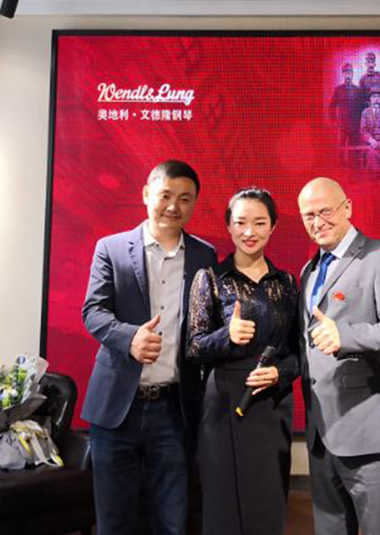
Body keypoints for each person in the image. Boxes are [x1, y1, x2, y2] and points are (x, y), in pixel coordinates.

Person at [81, 160, 217, 535]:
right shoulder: (111, 249)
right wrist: (130, 338)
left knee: (172, 522)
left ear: (194, 203)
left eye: (185, 198)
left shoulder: (205, 256)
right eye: (165, 195)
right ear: (146, 194)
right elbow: (93, 311)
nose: (174, 206)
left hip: (174, 410)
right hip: (116, 408)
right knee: (113, 522)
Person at [297, 178, 380, 535]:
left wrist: (346, 336)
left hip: (373, 435)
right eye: (308, 215)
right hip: (323, 436)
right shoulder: (309, 271)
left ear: (348, 207)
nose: (317, 222)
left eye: (325, 211)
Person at [187, 188, 299, 535]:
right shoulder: (209, 278)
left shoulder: (287, 282)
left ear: (273, 227)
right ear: (229, 226)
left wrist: (279, 372)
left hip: (272, 399)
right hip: (223, 399)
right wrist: (227, 336)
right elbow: (194, 347)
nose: (249, 231)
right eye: (240, 223)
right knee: (223, 500)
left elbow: (299, 351)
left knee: (268, 497)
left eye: (259, 223)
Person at [329, 63, 364, 151]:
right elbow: (331, 106)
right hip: (342, 125)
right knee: (340, 149)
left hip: (355, 125)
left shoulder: (358, 90)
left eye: (349, 73)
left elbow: (362, 107)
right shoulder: (338, 90)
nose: (348, 75)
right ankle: (340, 160)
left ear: (352, 74)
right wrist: (334, 121)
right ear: (343, 75)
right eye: (345, 73)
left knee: (355, 149)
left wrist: (361, 122)